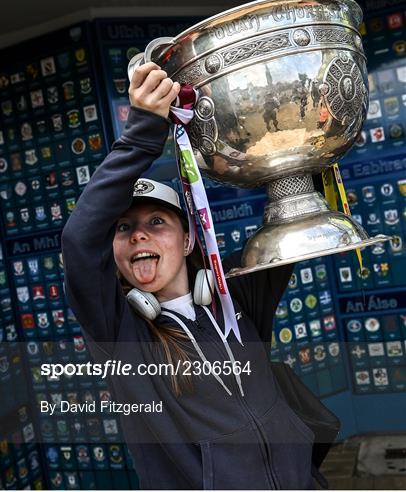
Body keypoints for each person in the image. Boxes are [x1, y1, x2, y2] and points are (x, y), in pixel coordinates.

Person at [62, 62, 316, 490]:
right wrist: (144, 131)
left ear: (187, 241)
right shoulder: (120, 333)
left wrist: (307, 129)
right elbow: (79, 241)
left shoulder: (237, 294)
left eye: (156, 222)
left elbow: (294, 211)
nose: (138, 233)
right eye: (123, 228)